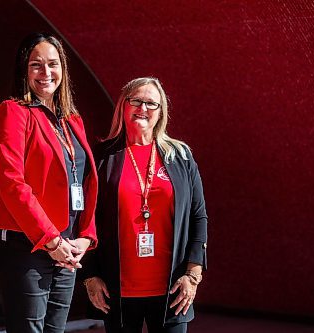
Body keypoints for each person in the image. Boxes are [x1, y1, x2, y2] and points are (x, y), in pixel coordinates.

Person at [0, 32, 98, 333]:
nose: (46, 73)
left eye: (53, 64)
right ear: (23, 69)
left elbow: (85, 181)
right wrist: (51, 240)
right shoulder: (12, 112)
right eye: (36, 65)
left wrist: (86, 236)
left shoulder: (72, 120)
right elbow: (12, 183)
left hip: (67, 245)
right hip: (26, 243)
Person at [82, 77, 208, 333]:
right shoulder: (102, 156)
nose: (143, 108)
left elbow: (198, 216)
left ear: (161, 113)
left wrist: (193, 274)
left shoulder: (180, 156)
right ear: (123, 106)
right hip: (117, 291)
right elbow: (87, 218)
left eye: (152, 103)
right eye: (136, 100)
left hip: (173, 290)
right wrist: (90, 276)